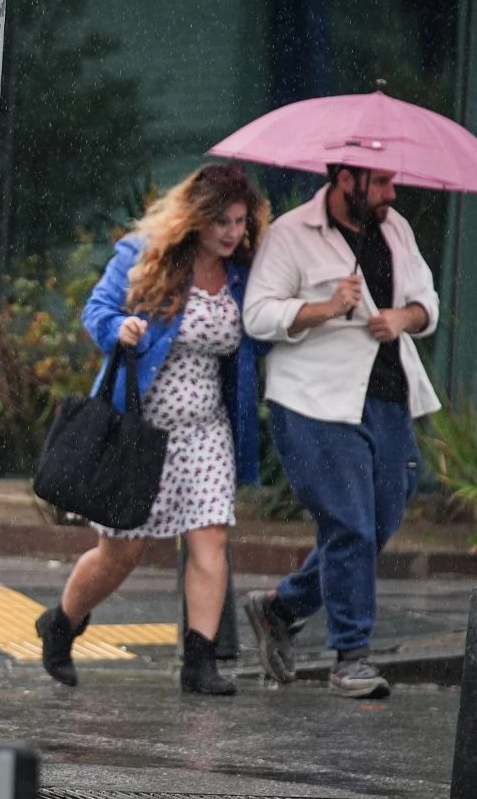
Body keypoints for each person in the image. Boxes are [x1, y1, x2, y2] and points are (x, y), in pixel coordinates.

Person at [35, 164, 271, 696]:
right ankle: (62, 622)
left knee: (210, 537)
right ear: (196, 218)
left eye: (240, 222)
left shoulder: (243, 273)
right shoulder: (144, 255)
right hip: (140, 431)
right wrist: (119, 328)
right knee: (122, 551)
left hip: (207, 430)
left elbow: (264, 329)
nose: (233, 232)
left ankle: (200, 661)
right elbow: (97, 310)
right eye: (222, 222)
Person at [242, 165, 440, 700]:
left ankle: (281, 607)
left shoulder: (396, 228)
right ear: (347, 178)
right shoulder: (291, 234)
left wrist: (402, 318)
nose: (391, 193)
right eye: (380, 183)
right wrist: (325, 308)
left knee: (379, 521)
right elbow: (257, 315)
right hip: (314, 400)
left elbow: (427, 303)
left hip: (387, 397)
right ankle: (351, 657)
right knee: (349, 523)